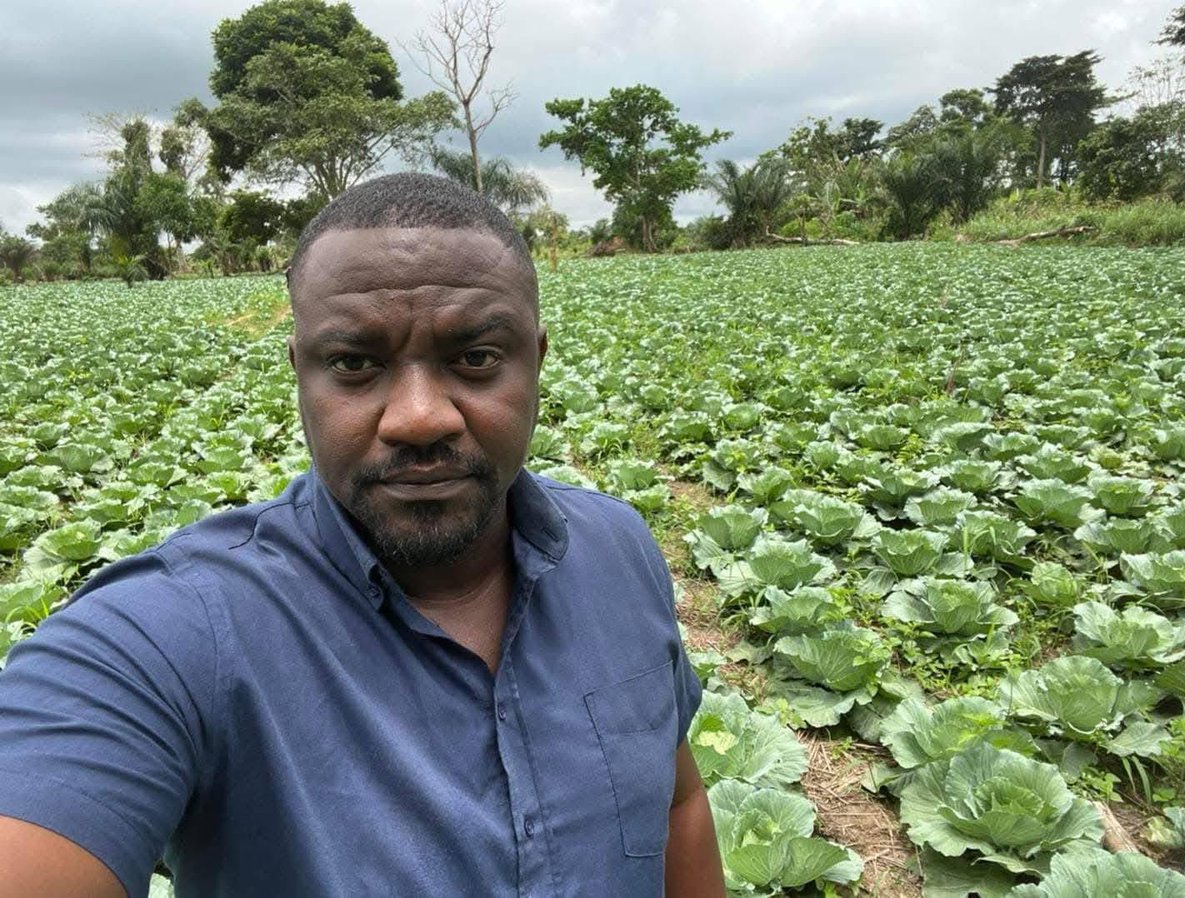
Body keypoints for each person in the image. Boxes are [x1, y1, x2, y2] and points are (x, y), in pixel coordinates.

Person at [0, 173, 725, 898]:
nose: (417, 417)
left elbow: (677, 803)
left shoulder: (618, 549)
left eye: (474, 357)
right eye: (354, 364)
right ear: (300, 376)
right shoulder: (168, 638)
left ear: (536, 361)